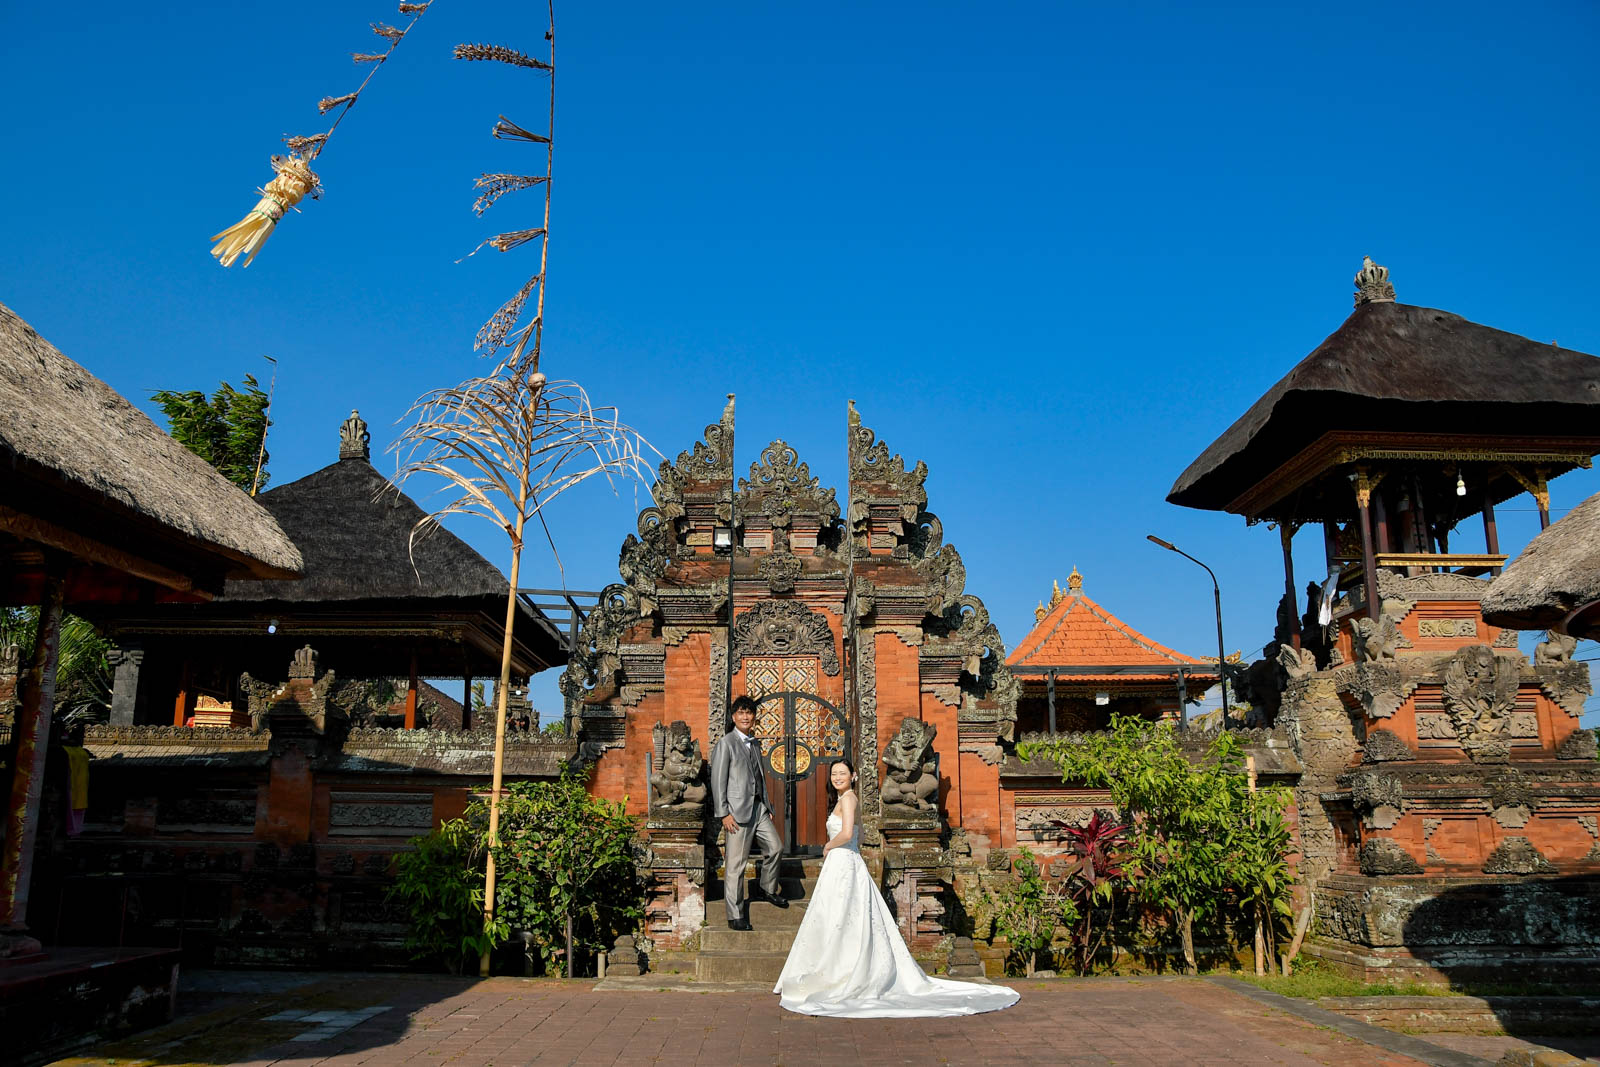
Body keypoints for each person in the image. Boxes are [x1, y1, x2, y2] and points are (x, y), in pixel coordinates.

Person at [774, 758, 1019, 1018]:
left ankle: (839, 971)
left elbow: (846, 834)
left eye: (842, 773)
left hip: (842, 861)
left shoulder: (848, 800)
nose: (837, 777)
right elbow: (861, 835)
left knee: (841, 916)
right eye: (834, 773)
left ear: (853, 776)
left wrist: (828, 846)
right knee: (840, 916)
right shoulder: (846, 799)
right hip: (844, 863)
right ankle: (839, 968)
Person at [710, 695, 786, 931]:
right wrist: (724, 813)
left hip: (758, 808)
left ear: (754, 717)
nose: (745, 717)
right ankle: (735, 914)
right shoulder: (726, 743)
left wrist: (767, 805)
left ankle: (767, 888)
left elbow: (759, 777)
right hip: (736, 812)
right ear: (734, 717)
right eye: (741, 713)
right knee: (736, 864)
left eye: (749, 713)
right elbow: (718, 781)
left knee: (775, 847)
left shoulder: (755, 743)